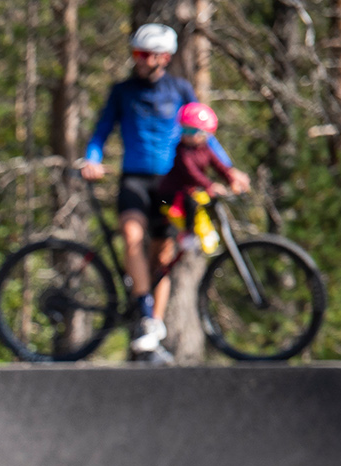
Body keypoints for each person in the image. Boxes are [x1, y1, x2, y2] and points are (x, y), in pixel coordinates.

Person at [80, 24, 249, 362]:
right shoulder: (122, 91)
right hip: (134, 181)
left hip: (168, 187)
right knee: (131, 236)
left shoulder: (179, 89)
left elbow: (204, 134)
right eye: (135, 53)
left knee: (163, 257)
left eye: (144, 54)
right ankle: (144, 311)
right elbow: (101, 132)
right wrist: (92, 159)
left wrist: (229, 169)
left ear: (164, 57)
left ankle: (152, 332)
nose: (138, 60)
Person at [155, 102, 234, 248]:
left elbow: (218, 165)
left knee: (201, 203)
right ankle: (188, 235)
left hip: (188, 192)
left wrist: (231, 179)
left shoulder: (205, 149)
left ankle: (203, 236)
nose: (187, 135)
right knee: (192, 203)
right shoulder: (182, 151)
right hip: (172, 194)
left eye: (193, 131)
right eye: (184, 130)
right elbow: (191, 172)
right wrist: (210, 185)